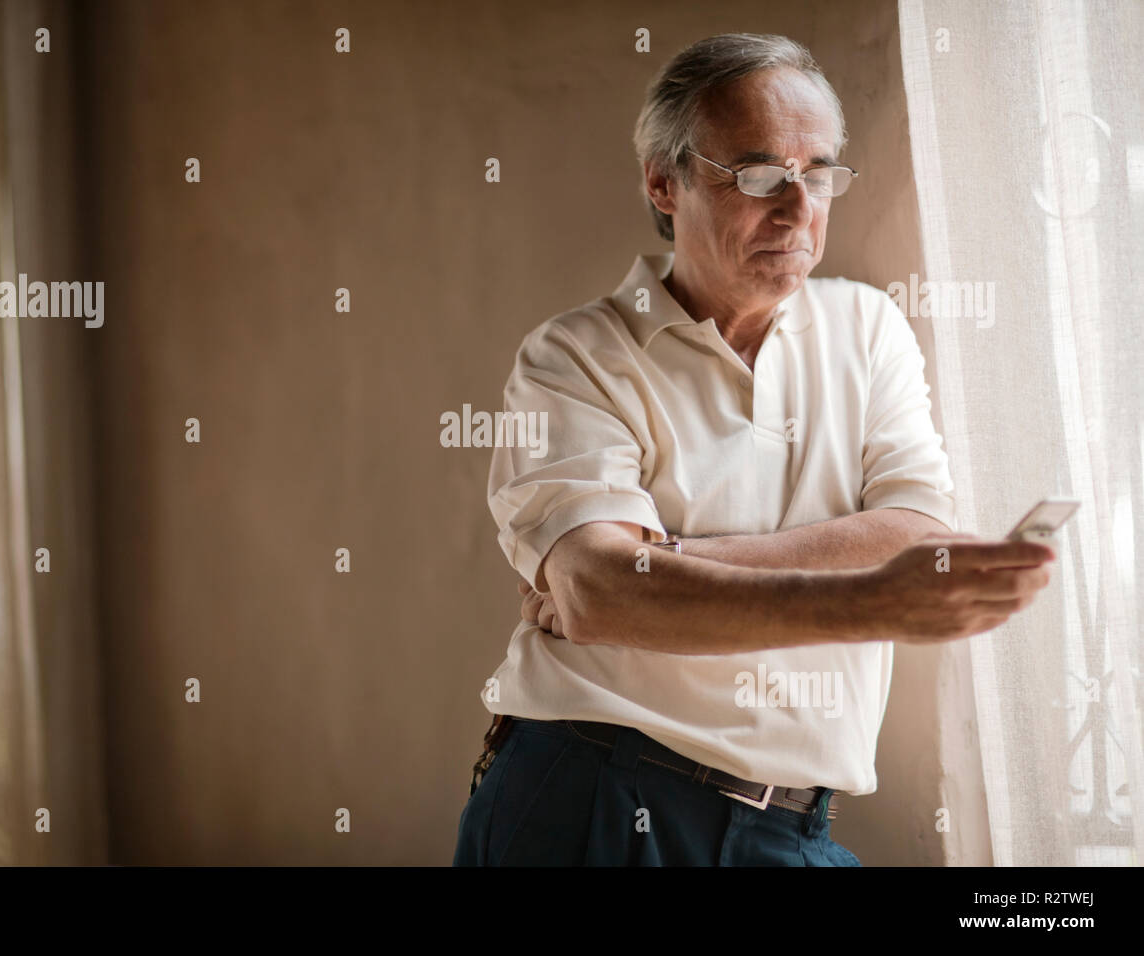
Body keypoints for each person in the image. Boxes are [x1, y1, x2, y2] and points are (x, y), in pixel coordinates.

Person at [452, 33, 1054, 866]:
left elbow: (914, 534)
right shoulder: (574, 355)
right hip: (594, 798)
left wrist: (663, 559)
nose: (799, 207)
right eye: (761, 175)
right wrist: (870, 601)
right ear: (665, 183)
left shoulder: (869, 327)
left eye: (820, 175)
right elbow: (596, 591)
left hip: (794, 827)